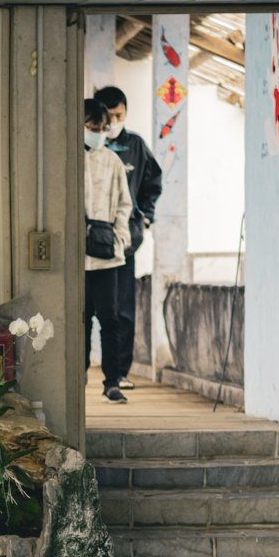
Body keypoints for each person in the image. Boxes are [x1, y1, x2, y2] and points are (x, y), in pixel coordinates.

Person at [95, 84, 165, 391]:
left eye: (118, 115)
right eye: (107, 117)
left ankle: (120, 372)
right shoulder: (90, 148)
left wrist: (145, 217)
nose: (112, 122)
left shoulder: (136, 145)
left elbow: (153, 182)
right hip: (90, 241)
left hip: (124, 242)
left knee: (123, 308)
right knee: (91, 309)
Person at [84, 96, 135, 403]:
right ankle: (77, 378)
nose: (99, 131)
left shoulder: (112, 161)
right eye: (92, 126)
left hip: (106, 254)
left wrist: (119, 237)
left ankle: (112, 381)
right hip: (77, 257)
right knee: (80, 320)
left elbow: (124, 204)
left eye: (102, 126)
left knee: (110, 319)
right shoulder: (69, 157)